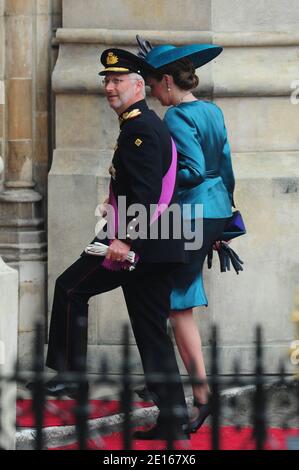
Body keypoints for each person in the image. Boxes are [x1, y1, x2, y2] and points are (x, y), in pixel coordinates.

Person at [44, 48, 190, 440]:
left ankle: (72, 377)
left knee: (70, 287)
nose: (109, 87)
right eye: (106, 80)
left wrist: (123, 239)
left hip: (138, 245)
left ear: (139, 85)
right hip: (159, 242)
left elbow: (144, 192)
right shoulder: (145, 123)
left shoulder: (140, 128)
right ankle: (175, 419)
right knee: (151, 332)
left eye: (117, 81)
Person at [135, 39, 235, 433]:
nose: (149, 92)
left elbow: (190, 170)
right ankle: (173, 386)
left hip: (191, 213)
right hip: (216, 208)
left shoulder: (176, 118)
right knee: (176, 300)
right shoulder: (212, 110)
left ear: (166, 82)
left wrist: (156, 183)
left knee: (177, 305)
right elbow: (226, 168)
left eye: (150, 84)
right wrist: (224, 222)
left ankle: (201, 396)